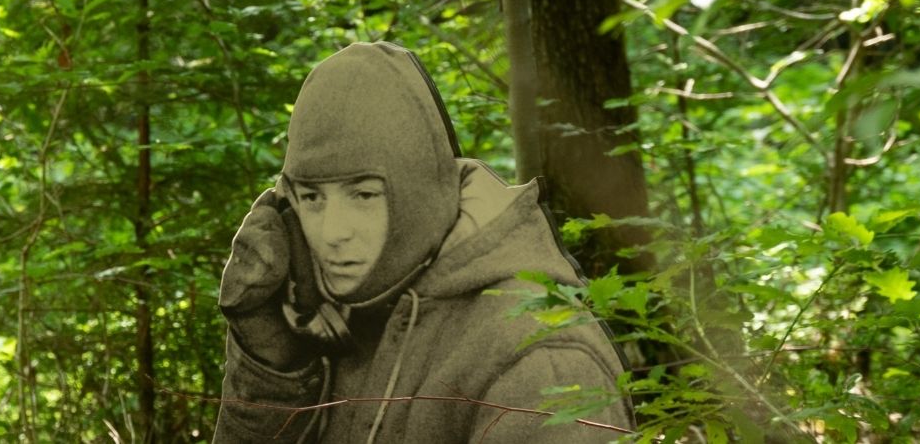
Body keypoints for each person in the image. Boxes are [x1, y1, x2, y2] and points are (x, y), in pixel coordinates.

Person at [214, 42, 633, 443]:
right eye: (312, 198)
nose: (332, 232)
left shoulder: (539, 357)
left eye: (363, 195)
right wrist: (270, 364)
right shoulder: (329, 320)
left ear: (416, 195)